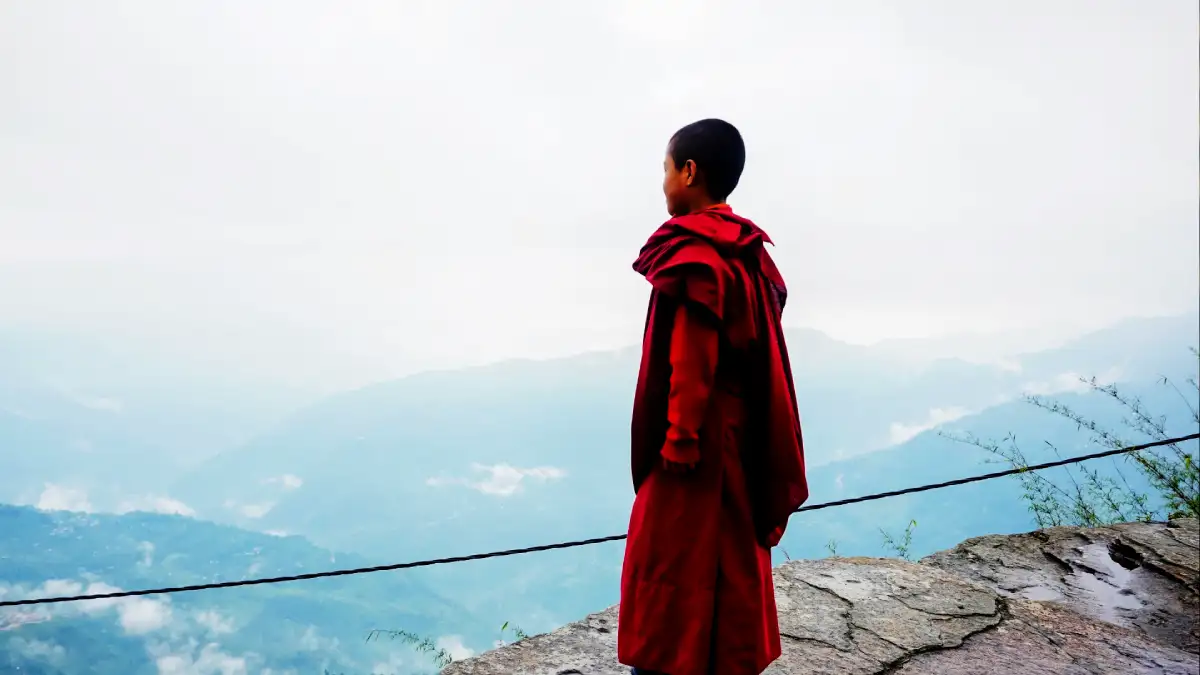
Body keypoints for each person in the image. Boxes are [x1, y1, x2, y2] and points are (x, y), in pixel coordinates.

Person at [617, 119, 809, 675]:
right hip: (738, 441)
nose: (663, 182)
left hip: (697, 442)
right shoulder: (745, 251)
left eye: (666, 169)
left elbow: (693, 354)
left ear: (690, 172)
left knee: (670, 564)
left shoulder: (695, 253)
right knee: (730, 564)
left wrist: (678, 439)